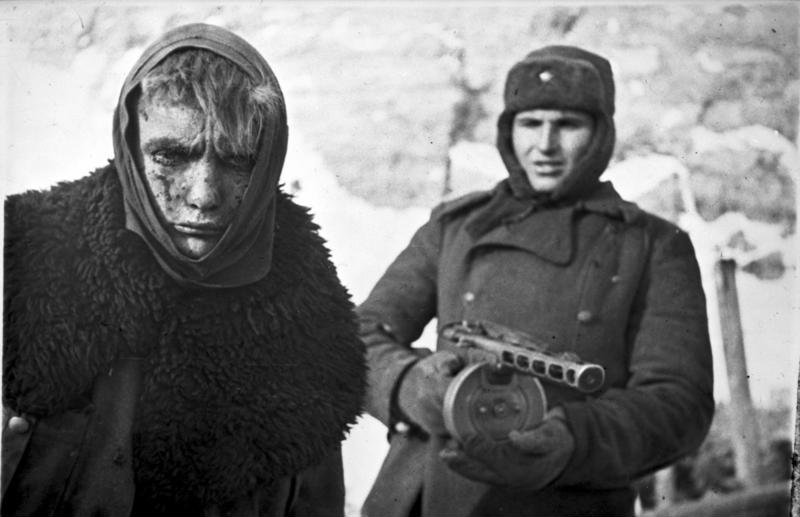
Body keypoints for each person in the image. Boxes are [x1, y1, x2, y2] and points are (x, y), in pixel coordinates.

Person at [2, 23, 365, 516]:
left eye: (238, 161)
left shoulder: (308, 324)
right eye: (170, 156)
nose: (203, 196)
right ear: (130, 149)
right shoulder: (21, 263)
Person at [357, 45, 714, 517]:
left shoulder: (650, 245)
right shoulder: (457, 227)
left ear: (601, 133)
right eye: (529, 123)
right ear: (509, 131)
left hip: (564, 500)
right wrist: (410, 387)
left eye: (567, 125)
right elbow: (356, 337)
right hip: (430, 493)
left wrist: (572, 439)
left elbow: (678, 402)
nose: (544, 145)